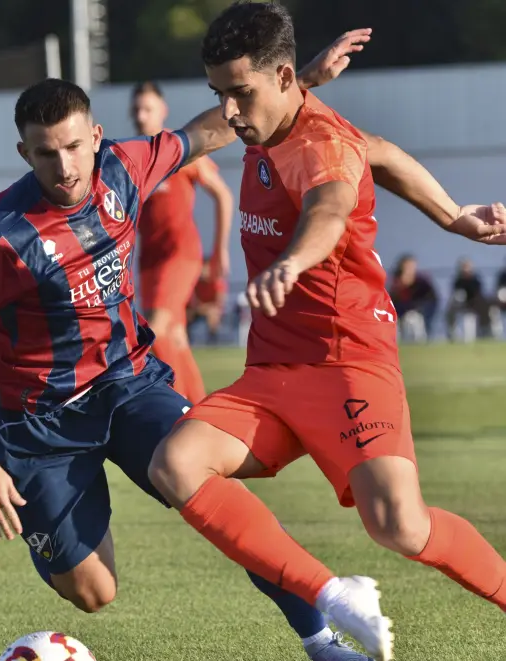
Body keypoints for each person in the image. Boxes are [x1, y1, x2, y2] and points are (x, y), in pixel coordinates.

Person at [0, 29, 385, 661]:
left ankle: (321, 636)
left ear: (96, 135)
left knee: (211, 492)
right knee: (94, 593)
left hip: (129, 384)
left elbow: (215, 129)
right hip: (39, 424)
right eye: (44, 154)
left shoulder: (125, 165)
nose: (64, 168)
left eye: (72, 147)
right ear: (23, 153)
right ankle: (56, 539)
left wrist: (297, 80)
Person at [146, 5, 506, 660]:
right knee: (176, 463)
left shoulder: (322, 144)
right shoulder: (267, 118)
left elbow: (332, 205)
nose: (228, 110)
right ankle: (335, 595)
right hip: (274, 374)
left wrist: (292, 260)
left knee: (400, 525)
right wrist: (452, 214)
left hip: (349, 364)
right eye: (218, 93)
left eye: (240, 92)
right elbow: (385, 152)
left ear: (281, 76)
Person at [131, 81, 233, 403]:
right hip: (149, 258)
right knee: (174, 336)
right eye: (135, 109)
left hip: (180, 253)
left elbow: (223, 196)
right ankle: (199, 409)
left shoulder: (178, 150)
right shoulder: (136, 158)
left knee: (155, 330)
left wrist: (219, 251)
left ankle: (176, 405)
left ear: (163, 111)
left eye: (147, 108)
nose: (141, 116)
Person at [387, 254, 437, 341]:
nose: (409, 268)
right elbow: (392, 298)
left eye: (412, 265)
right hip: (399, 311)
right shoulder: (396, 280)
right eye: (407, 265)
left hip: (417, 311)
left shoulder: (421, 280)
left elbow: (430, 298)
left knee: (413, 319)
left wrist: (418, 308)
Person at [187, 255, 228, 344]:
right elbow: (195, 301)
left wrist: (204, 308)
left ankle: (213, 342)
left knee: (212, 314)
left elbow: (218, 303)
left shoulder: (217, 282)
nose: (202, 271)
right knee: (187, 314)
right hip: (200, 309)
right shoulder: (197, 283)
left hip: (213, 310)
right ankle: (188, 341)